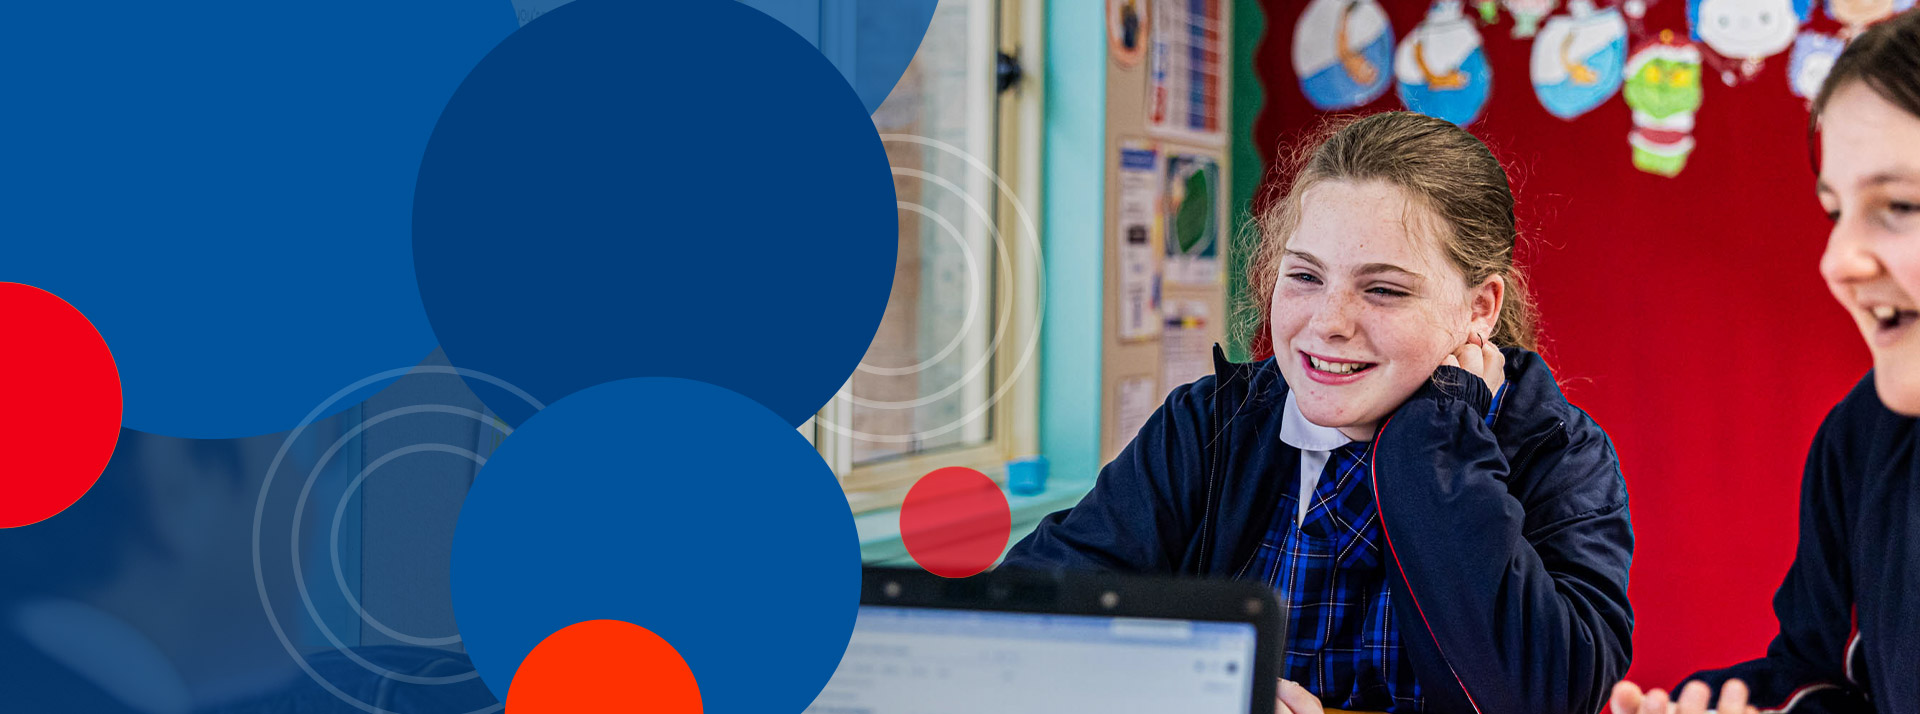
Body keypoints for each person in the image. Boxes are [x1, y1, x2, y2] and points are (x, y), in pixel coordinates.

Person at [1002, 111, 1633, 714]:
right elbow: (1022, 616)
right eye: (1305, 277)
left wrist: (1435, 443)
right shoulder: (1211, 424)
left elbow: (1545, 698)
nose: (1328, 323)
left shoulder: (1558, 455)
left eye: (1383, 289)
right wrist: (1186, 685)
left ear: (1480, 309)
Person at [1609, 9, 1920, 714]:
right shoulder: (1865, 438)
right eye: (1836, 210)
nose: (1837, 260)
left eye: (1898, 204)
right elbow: (1827, 680)